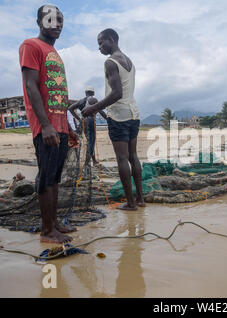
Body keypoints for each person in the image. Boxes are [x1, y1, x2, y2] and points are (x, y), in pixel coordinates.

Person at [19, 4, 78, 243]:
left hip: (61, 125)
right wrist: (45, 125)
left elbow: (59, 95)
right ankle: (46, 231)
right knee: (46, 177)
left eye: (60, 20)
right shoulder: (30, 46)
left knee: (55, 177)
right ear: (39, 22)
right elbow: (31, 86)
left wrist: (69, 126)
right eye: (51, 19)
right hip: (46, 127)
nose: (57, 24)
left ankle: (54, 224)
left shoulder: (56, 53)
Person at [82, 28, 145, 210]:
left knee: (122, 159)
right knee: (133, 156)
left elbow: (117, 93)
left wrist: (93, 107)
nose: (100, 47)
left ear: (111, 39)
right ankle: (140, 199)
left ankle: (131, 204)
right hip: (134, 114)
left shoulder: (110, 62)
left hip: (119, 116)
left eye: (101, 43)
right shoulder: (129, 61)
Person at [69, 86, 107, 166]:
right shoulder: (93, 99)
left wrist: (79, 119)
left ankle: (94, 161)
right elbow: (100, 111)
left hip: (83, 122)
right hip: (90, 121)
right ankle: (87, 163)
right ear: (93, 93)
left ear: (86, 92)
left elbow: (70, 108)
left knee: (89, 142)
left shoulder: (80, 101)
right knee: (91, 143)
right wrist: (109, 120)